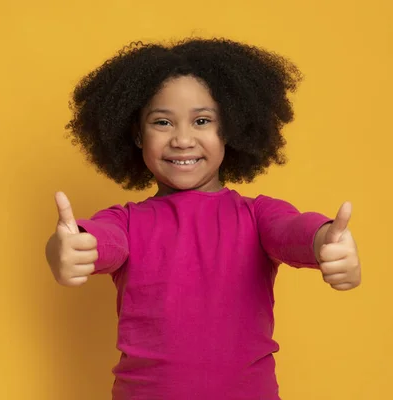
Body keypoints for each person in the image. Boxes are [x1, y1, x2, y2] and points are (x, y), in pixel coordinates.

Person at [45, 38, 362, 400]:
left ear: (229, 129)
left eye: (202, 121)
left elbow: (293, 231)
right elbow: (98, 240)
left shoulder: (257, 216)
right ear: (136, 134)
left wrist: (327, 242)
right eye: (162, 122)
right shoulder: (127, 223)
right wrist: (67, 247)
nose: (182, 139)